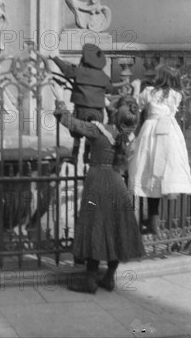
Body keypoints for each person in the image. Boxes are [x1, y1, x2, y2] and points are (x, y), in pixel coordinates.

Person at [53, 91, 145, 293]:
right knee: (116, 229)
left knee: (95, 226)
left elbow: (72, 123)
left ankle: (90, 281)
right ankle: (109, 278)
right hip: (117, 182)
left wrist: (60, 106)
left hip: (98, 181)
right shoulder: (128, 137)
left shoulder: (99, 130)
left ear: (114, 113)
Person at [128, 65, 191, 234]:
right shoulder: (176, 95)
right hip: (170, 134)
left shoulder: (149, 92)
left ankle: (147, 221)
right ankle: (154, 222)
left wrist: (136, 88)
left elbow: (135, 105)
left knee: (147, 168)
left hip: (151, 132)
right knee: (165, 168)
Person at [51, 44, 113, 163]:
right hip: (97, 111)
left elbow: (67, 71)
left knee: (77, 134)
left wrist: (55, 58)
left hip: (81, 110)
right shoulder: (103, 76)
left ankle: (75, 157)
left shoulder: (80, 72)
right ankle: (87, 157)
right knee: (92, 135)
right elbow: (109, 89)